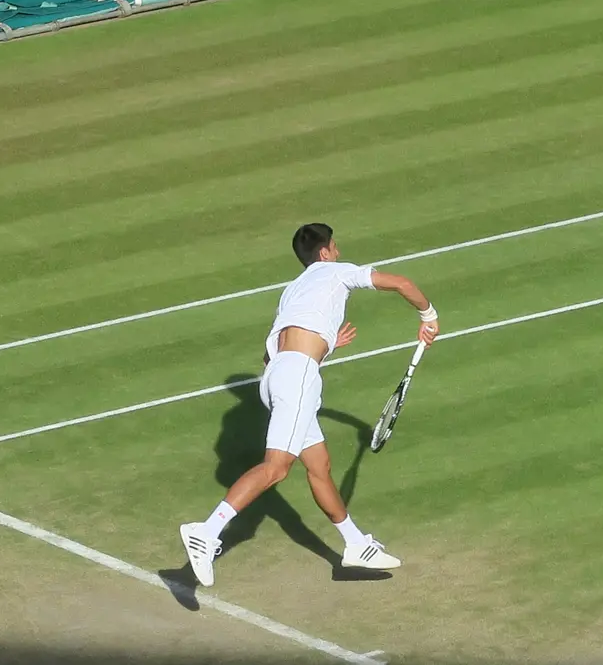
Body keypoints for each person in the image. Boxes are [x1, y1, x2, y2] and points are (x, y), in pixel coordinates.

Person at [179, 223, 440, 587]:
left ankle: (355, 544)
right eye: (334, 247)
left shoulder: (294, 289)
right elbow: (401, 284)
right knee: (276, 468)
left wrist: (327, 345)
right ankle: (206, 531)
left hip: (276, 377)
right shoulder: (338, 271)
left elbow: (280, 351)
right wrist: (429, 317)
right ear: (325, 252)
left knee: (319, 465)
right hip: (298, 376)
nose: (337, 251)